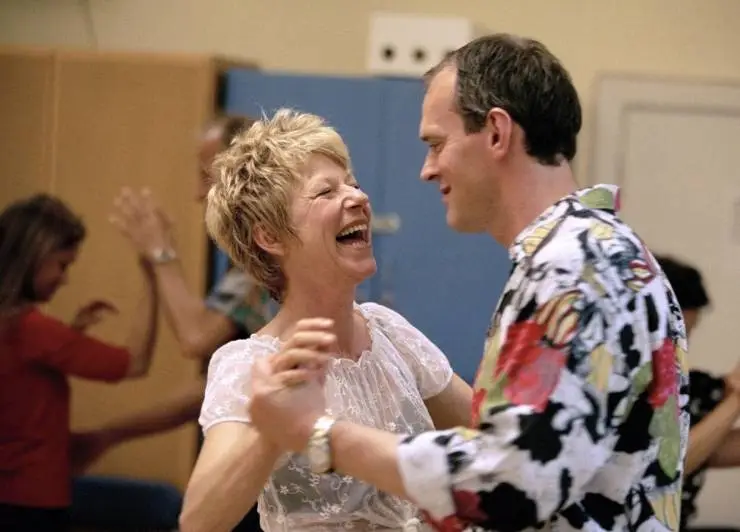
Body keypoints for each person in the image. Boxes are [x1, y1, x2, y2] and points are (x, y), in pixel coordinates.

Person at [245, 33, 690, 532]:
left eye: (437, 144)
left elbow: (509, 486)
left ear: (497, 133)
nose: (427, 170)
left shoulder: (572, 267)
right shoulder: (601, 252)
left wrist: (320, 434)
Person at [178, 109, 473, 532]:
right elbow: (199, 520)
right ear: (270, 237)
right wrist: (274, 429)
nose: (358, 198)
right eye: (326, 192)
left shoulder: (389, 331)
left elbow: (487, 439)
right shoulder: (249, 364)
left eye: (353, 184)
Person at [74, 115, 273, 531]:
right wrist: (108, 434)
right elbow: (209, 389)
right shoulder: (249, 257)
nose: (198, 193)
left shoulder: (267, 252)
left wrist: (162, 253)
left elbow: (195, 338)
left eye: (206, 176)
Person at [0, 194, 159, 531]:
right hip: (32, 505)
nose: (65, 278)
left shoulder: (14, 327)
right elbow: (134, 363)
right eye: (62, 265)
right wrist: (152, 276)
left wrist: (71, 334)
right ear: (34, 257)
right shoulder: (33, 330)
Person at [655, 255, 740, 532]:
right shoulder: (615, 394)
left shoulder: (693, 389)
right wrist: (736, 400)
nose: (680, 352)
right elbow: (665, 469)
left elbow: (713, 449)